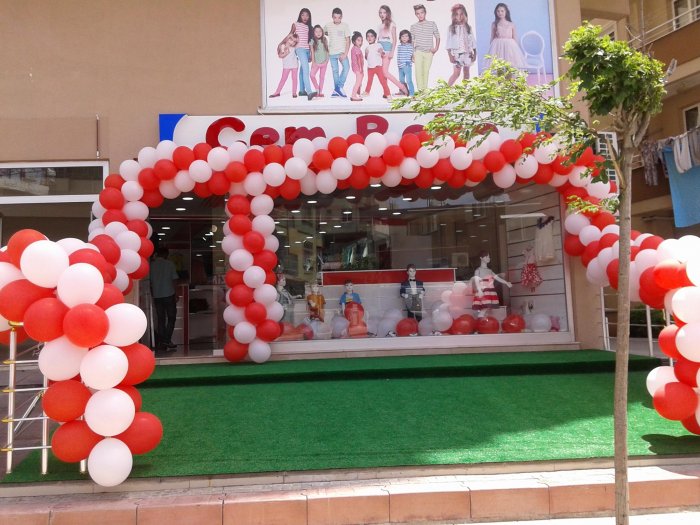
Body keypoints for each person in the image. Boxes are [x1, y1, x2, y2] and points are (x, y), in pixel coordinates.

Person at [149, 247, 179, 352]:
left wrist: (152, 293)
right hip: (169, 294)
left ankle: (162, 342)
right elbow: (174, 279)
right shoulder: (170, 264)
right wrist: (176, 293)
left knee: (161, 319)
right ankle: (167, 340)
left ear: (157, 254)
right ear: (166, 254)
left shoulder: (151, 265)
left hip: (157, 296)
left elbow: (149, 282)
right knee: (171, 318)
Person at [376, 5, 408, 96]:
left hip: (387, 51)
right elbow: (378, 39)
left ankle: (403, 87)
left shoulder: (392, 24)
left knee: (385, 72)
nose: (382, 14)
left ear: (388, 13)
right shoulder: (379, 26)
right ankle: (386, 92)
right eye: (380, 13)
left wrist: (392, 52)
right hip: (380, 52)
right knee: (382, 73)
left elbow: (394, 39)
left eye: (384, 12)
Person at [485, 3, 527, 70]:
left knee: (509, 67)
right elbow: (492, 37)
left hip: (509, 47)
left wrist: (516, 51)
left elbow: (514, 38)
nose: (500, 13)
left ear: (506, 12)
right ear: (496, 12)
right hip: (498, 47)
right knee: (499, 67)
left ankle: (509, 77)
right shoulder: (494, 24)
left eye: (502, 11)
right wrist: (491, 50)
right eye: (498, 11)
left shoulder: (511, 24)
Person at [410, 3, 440, 92]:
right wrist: (412, 53)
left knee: (425, 72)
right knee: (418, 72)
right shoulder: (413, 26)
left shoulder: (432, 24)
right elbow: (412, 41)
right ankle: (420, 92)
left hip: (428, 52)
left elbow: (437, 36)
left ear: (425, 12)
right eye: (418, 13)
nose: (420, 15)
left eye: (422, 12)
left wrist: (436, 48)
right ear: (415, 14)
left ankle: (424, 92)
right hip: (418, 52)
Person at [471, 251, 512, 317]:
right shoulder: (478, 270)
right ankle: (481, 317)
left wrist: (506, 282)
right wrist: (479, 290)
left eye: (489, 257)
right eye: (486, 257)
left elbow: (497, 278)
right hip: (483, 291)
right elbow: (476, 281)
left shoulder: (490, 271)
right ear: (481, 258)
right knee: (484, 307)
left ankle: (482, 318)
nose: (488, 258)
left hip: (490, 290)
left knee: (487, 307)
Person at [289, 8, 317, 100]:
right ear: (300, 16)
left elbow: (311, 40)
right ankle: (309, 92)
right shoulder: (295, 24)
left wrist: (311, 53)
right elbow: (290, 35)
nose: (305, 17)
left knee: (302, 70)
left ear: (309, 17)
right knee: (306, 69)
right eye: (303, 15)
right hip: (300, 49)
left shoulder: (310, 27)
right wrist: (282, 43)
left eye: (307, 15)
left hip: (307, 50)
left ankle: (301, 91)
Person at [445, 3, 476, 86]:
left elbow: (473, 41)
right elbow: (448, 43)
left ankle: (464, 91)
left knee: (466, 73)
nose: (459, 16)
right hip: (457, 54)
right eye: (457, 14)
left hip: (468, 54)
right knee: (456, 73)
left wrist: (475, 54)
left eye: (461, 14)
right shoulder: (451, 28)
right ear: (454, 16)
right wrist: (450, 56)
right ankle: (446, 89)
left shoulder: (468, 27)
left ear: (465, 14)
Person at [324, 7, 351, 98]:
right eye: (335, 17)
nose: (337, 19)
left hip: (341, 52)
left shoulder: (345, 26)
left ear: (341, 17)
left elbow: (348, 40)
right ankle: (337, 91)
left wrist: (345, 54)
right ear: (332, 17)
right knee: (335, 71)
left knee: (346, 68)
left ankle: (338, 88)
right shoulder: (328, 25)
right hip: (332, 53)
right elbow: (323, 32)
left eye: (339, 17)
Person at [269, 33, 299, 98]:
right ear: (288, 38)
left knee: (294, 79)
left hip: (295, 65)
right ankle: (277, 92)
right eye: (291, 40)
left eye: (294, 41)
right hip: (286, 66)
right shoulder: (283, 46)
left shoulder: (294, 47)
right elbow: (280, 56)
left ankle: (294, 93)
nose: (292, 42)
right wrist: (286, 53)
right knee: (283, 79)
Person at [363, 29, 391, 99]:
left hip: (378, 67)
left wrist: (381, 52)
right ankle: (367, 92)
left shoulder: (378, 45)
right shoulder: (367, 48)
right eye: (368, 36)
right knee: (369, 81)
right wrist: (366, 54)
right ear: (366, 38)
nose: (369, 38)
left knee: (383, 81)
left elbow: (383, 54)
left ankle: (388, 94)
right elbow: (366, 58)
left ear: (375, 38)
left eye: (371, 36)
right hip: (370, 68)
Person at [310, 24, 330, 97]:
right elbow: (312, 52)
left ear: (322, 32)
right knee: (312, 75)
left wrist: (327, 60)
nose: (318, 33)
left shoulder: (324, 39)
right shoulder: (312, 41)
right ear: (314, 33)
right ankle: (317, 89)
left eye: (320, 31)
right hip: (316, 63)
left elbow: (327, 50)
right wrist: (313, 62)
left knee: (322, 77)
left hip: (324, 63)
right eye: (316, 31)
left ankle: (320, 92)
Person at [396, 30, 415, 96]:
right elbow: (398, 56)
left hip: (407, 65)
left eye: (406, 36)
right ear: (400, 38)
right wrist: (398, 65)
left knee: (409, 80)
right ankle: (403, 91)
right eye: (403, 36)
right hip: (400, 66)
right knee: (401, 80)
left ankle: (412, 93)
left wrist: (411, 61)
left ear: (409, 38)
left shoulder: (410, 46)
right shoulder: (399, 47)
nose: (404, 38)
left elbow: (412, 55)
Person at [349, 31, 365, 102]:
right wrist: (361, 69)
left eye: (361, 40)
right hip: (358, 68)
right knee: (358, 81)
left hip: (356, 67)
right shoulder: (356, 49)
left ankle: (358, 92)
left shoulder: (353, 48)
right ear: (354, 41)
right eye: (358, 40)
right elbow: (358, 59)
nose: (360, 42)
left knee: (360, 79)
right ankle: (353, 95)